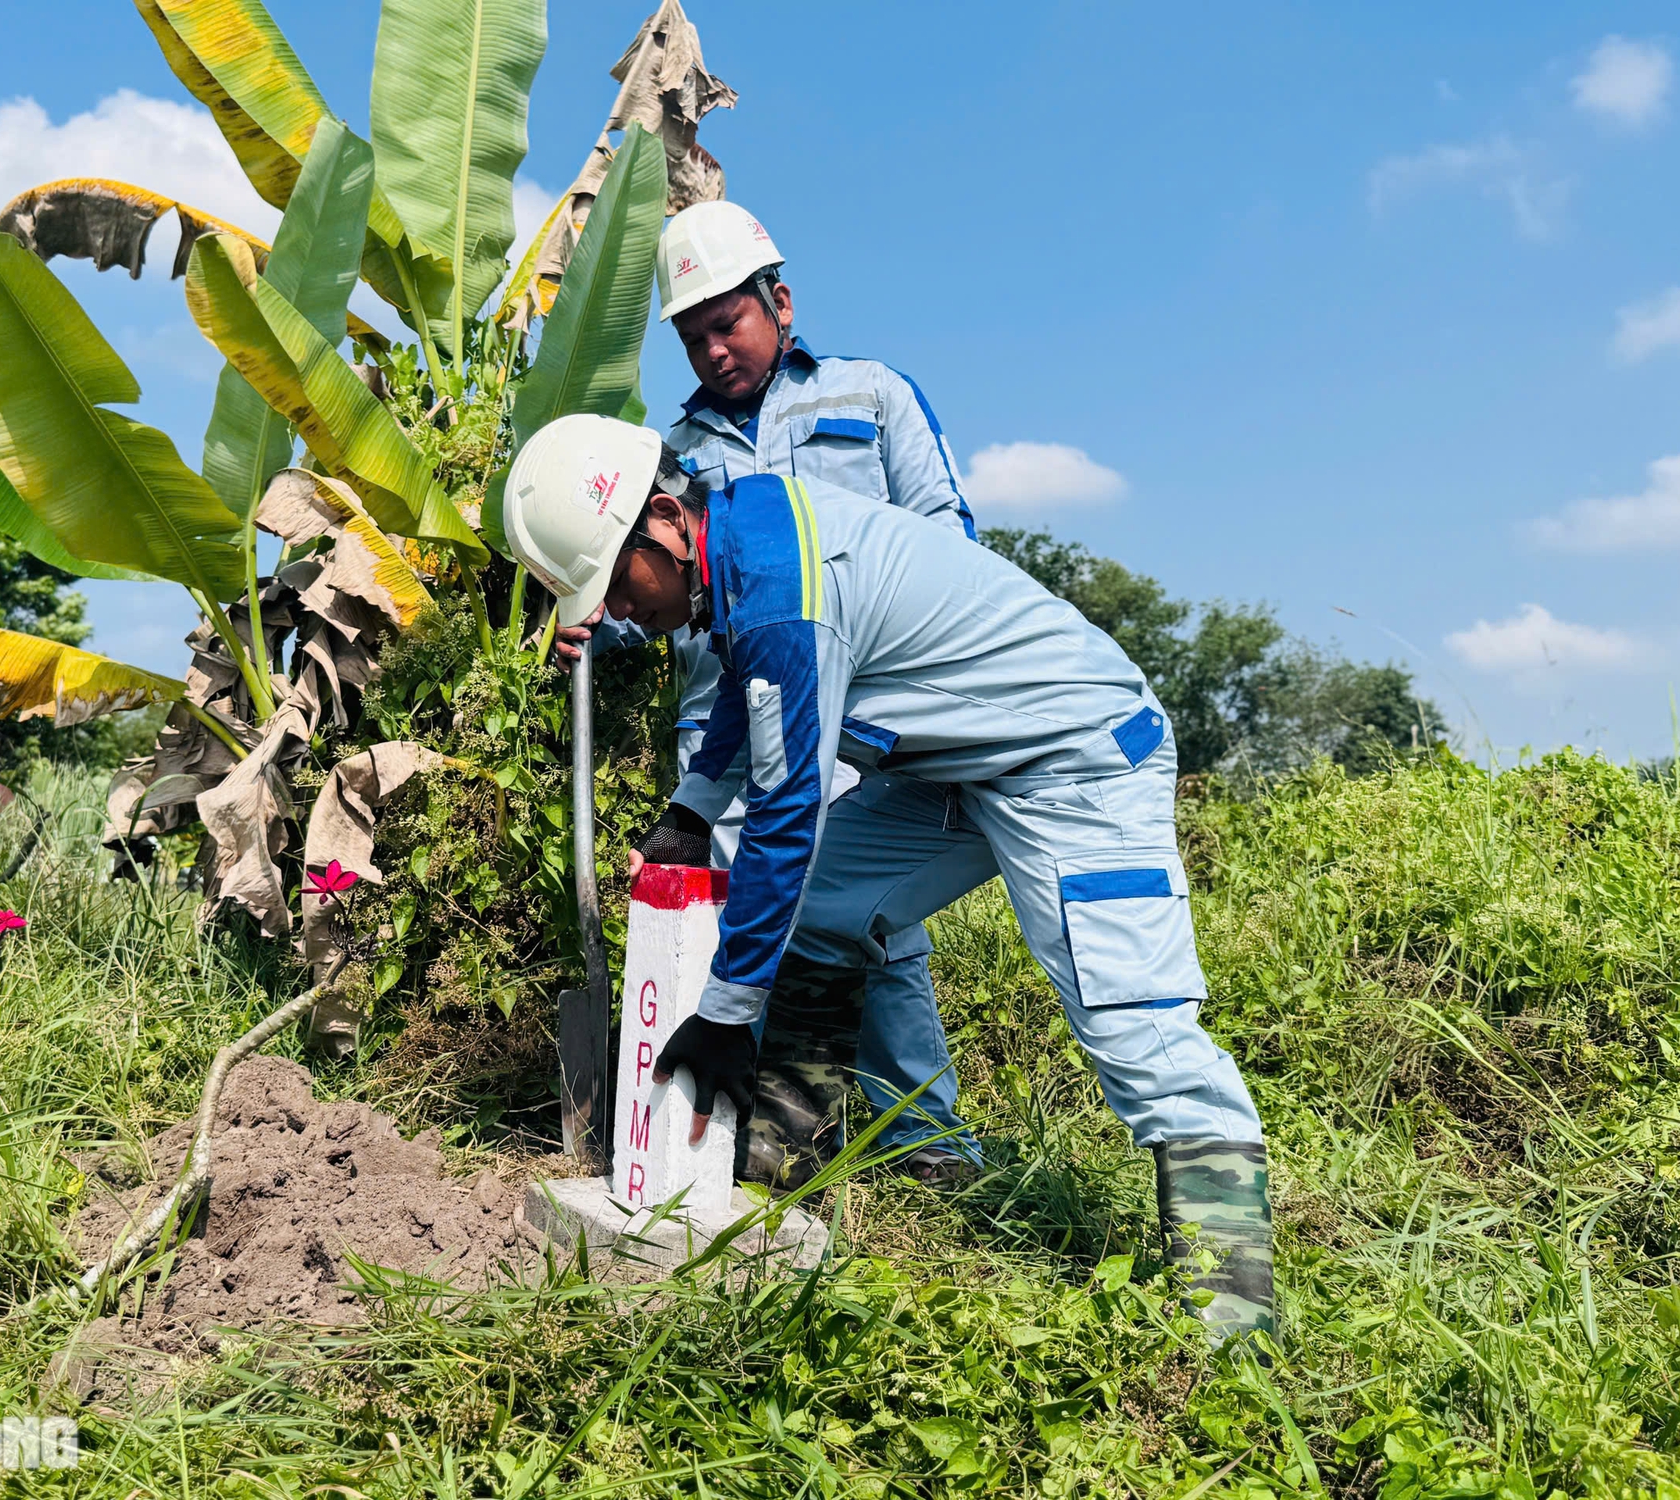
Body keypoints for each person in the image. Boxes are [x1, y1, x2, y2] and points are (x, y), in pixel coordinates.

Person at [508, 414, 1275, 1343]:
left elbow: (787, 811)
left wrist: (725, 1012)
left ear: (667, 521)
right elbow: (750, 698)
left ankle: (1234, 1324)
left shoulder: (784, 588)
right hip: (958, 770)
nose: (621, 611)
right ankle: (776, 1168)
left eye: (616, 584)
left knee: (1132, 1024)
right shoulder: (742, 542)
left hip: (1075, 762)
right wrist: (690, 810)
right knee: (823, 908)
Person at [555, 200, 980, 1187]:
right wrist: (593, 616)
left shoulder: (871, 398)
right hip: (722, 740)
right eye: (690, 335)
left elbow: (946, 544)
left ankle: (925, 1148)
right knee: (733, 938)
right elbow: (643, 592)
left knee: (872, 935)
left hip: (853, 727)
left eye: (727, 321)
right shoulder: (668, 458)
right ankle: (739, 1154)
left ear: (776, 302)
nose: (712, 348)